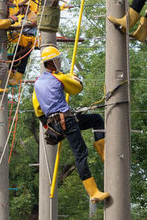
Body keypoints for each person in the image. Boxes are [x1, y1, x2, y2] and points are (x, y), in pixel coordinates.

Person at [32, 47, 109, 203]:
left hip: (57, 124)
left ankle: (104, 153)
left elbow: (38, 109)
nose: (60, 62)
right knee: (81, 153)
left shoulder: (37, 83)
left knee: (96, 119)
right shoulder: (59, 77)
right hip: (66, 120)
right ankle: (93, 192)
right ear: (52, 62)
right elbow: (77, 88)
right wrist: (73, 77)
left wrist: (48, 126)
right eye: (58, 60)